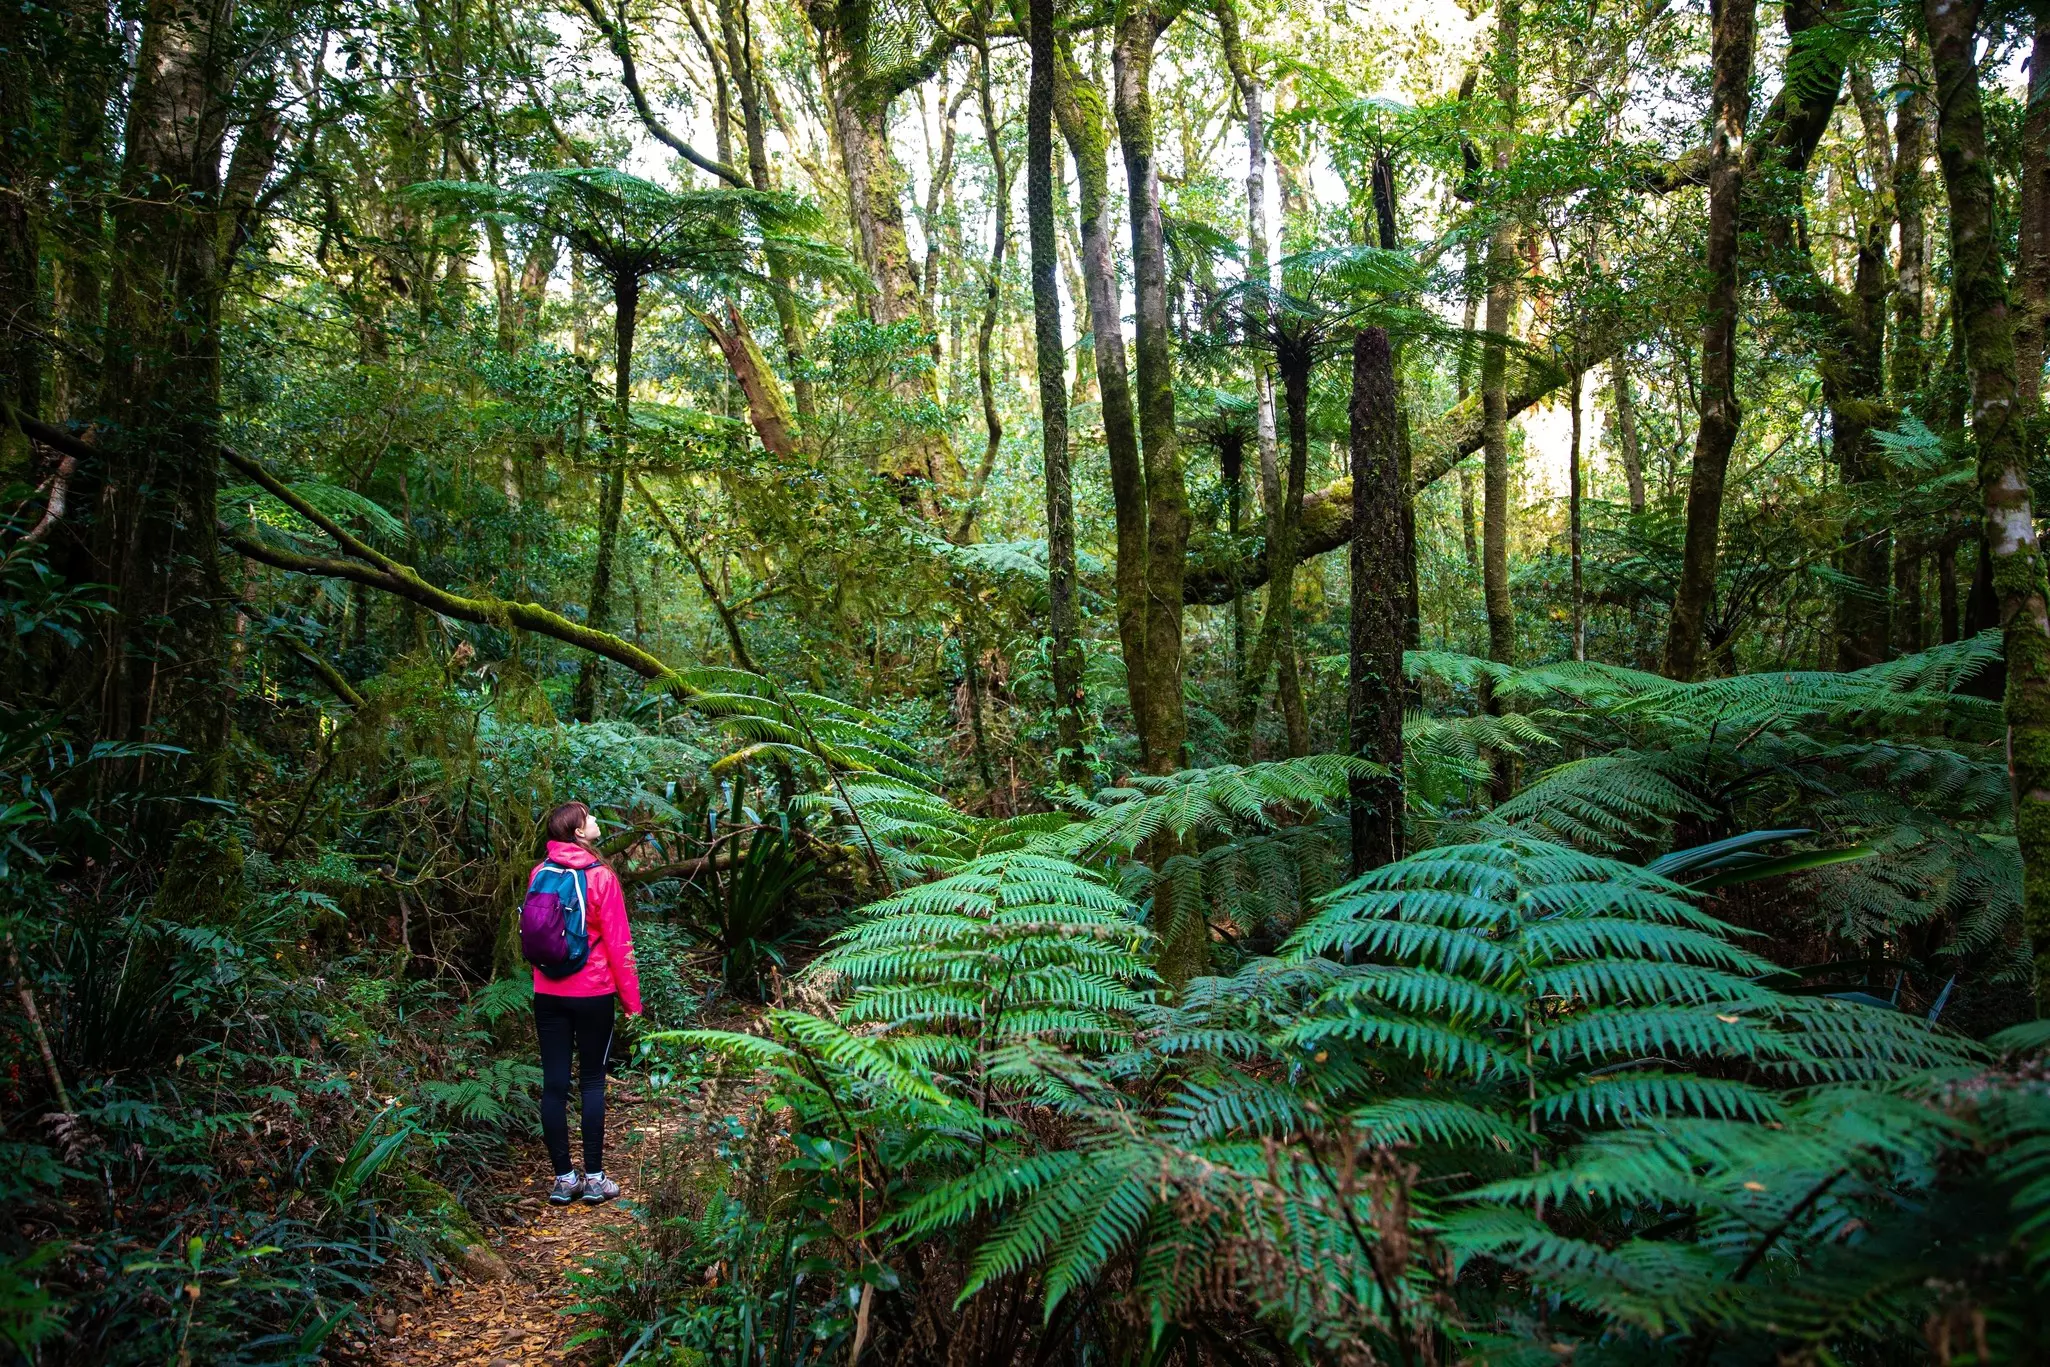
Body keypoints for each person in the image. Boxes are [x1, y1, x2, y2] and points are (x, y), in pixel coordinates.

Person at [531, 801, 641, 1204]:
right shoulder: (601, 878)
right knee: (592, 1080)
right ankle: (594, 1179)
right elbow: (619, 943)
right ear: (578, 832)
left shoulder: (539, 872)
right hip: (593, 992)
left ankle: (564, 1179)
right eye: (589, 817)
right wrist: (632, 1002)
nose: (595, 821)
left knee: (554, 1085)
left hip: (548, 993)